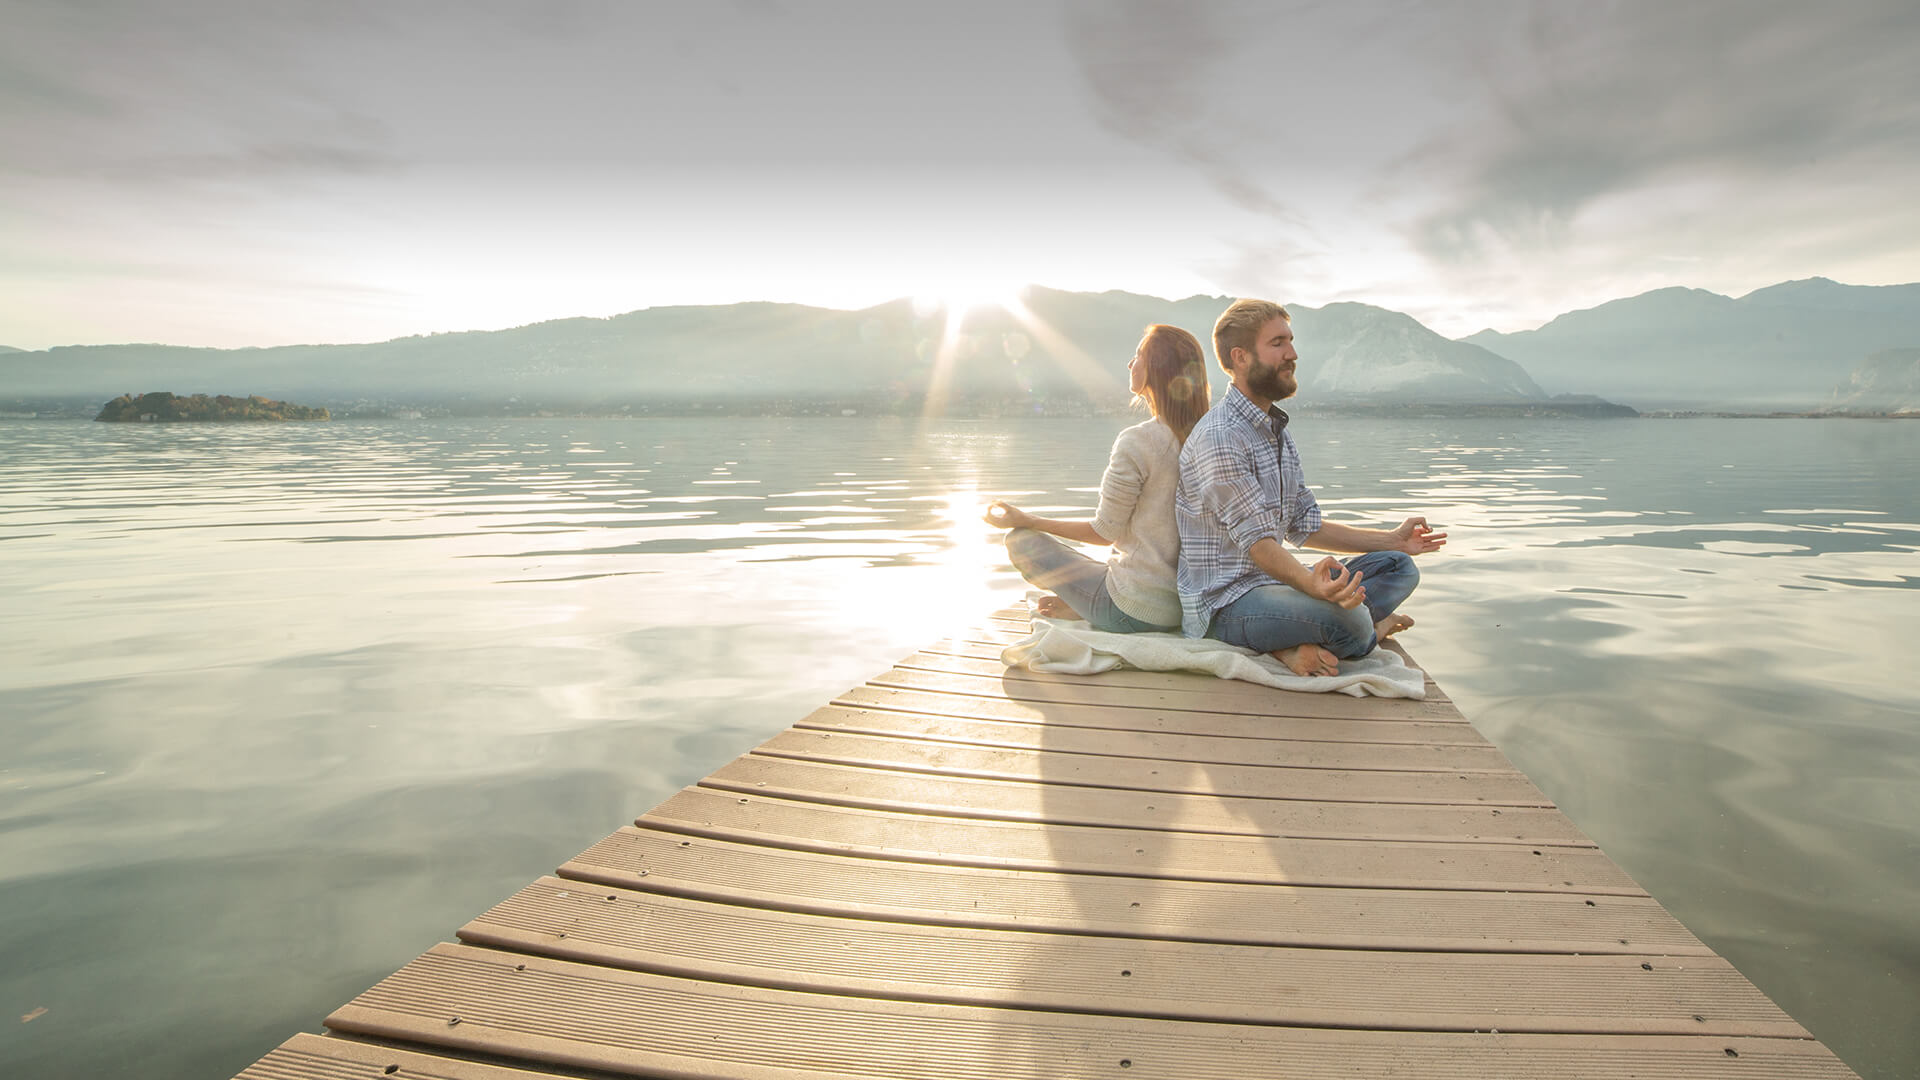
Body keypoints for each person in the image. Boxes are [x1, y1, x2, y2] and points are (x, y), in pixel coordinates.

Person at [1175, 299, 1446, 678]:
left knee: (1399, 568)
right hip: (1226, 605)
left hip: (1275, 585)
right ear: (1240, 357)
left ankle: (1312, 636)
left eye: (1291, 341)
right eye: (1278, 343)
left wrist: (1395, 541)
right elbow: (1261, 546)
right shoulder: (1221, 437)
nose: (1292, 354)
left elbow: (1306, 526)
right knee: (1351, 623)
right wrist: (1312, 586)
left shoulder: (1275, 433)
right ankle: (1363, 632)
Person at [984, 324, 1211, 633]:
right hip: (1183, 607)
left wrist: (1027, 520)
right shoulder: (1208, 438)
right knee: (1103, 567)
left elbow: (1104, 532)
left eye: (1138, 355)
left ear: (1157, 369)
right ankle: (1083, 604)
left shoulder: (1138, 441)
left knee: (1022, 542)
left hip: (1131, 609)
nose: (1131, 364)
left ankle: (1089, 608)